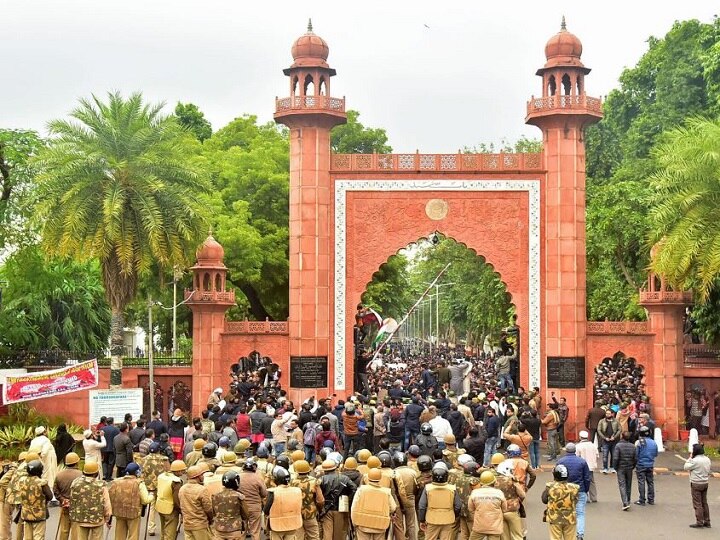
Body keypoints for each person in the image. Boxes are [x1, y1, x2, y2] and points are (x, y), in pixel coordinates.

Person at [108, 462, 154, 540]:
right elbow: (145, 500)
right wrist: (151, 496)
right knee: (133, 535)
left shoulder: (116, 482)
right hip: (134, 513)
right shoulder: (139, 483)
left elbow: (110, 497)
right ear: (137, 472)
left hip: (119, 513)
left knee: (119, 535)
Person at [68, 461, 112, 540]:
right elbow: (106, 504)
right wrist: (108, 518)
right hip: (97, 519)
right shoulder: (101, 485)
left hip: (81, 518)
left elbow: (72, 499)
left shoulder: (75, 483)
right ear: (96, 473)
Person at [417, 463, 461, 540]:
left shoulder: (428, 488)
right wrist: (454, 515)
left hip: (432, 519)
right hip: (448, 519)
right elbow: (458, 506)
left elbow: (422, 506)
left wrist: (422, 520)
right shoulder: (452, 489)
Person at [556, 443, 590, 540]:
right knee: (580, 513)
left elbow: (557, 476)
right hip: (580, 489)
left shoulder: (560, 462)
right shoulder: (582, 462)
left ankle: (567, 534)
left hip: (565, 490)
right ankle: (579, 534)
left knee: (566, 512)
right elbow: (587, 478)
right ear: (575, 450)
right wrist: (585, 489)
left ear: (566, 450)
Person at [351, 468, 396, 540]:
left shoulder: (361, 490)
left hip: (362, 523)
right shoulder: (386, 492)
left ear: (368, 478)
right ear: (380, 478)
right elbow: (393, 507)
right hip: (380, 524)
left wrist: (354, 522)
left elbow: (354, 507)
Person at [318, 459, 356, 540]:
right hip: (341, 509)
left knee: (327, 532)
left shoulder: (321, 480)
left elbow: (318, 495)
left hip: (326, 510)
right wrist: (347, 499)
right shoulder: (344, 478)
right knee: (339, 533)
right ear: (335, 468)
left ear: (324, 470)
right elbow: (354, 488)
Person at [263, 467, 303, 540]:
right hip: (293, 523)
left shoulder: (273, 492)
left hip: (277, 525)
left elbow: (266, 510)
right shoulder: (297, 491)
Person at [541, 464, 579, 540]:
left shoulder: (550, 486)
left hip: (554, 518)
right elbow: (576, 500)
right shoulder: (574, 487)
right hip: (570, 518)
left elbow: (544, 500)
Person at [467, 470, 507, 540]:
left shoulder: (475, 493)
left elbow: (470, 509)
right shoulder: (499, 493)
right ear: (493, 482)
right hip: (495, 527)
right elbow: (504, 509)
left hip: (479, 526)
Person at [290, 460, 324, 540]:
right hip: (311, 513)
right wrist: (319, 509)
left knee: (298, 537)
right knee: (314, 537)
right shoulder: (314, 482)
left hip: (296, 514)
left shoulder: (291, 483)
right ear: (308, 470)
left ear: (296, 471)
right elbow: (320, 500)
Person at [210, 471, 249, 540]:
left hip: (219, 529)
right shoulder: (239, 496)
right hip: (234, 529)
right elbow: (246, 514)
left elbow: (213, 512)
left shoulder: (215, 496)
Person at [178, 465, 213, 540]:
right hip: (200, 525)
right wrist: (211, 519)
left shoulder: (182, 489)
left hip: (187, 524)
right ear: (198, 476)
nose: (203, 476)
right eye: (202, 475)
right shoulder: (202, 490)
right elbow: (208, 509)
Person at [20, 460, 53, 540]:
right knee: (38, 537)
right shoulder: (42, 483)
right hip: (39, 515)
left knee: (27, 537)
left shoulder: (22, 480)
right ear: (40, 471)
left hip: (26, 514)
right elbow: (50, 496)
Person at [53, 453, 83, 540]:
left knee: (64, 529)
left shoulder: (59, 474)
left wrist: (62, 499)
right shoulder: (81, 475)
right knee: (76, 529)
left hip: (64, 505)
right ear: (76, 462)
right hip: (77, 506)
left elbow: (55, 490)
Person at [683, 443, 712, 528]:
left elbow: (686, 467)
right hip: (705, 482)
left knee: (697, 504)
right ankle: (707, 521)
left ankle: (699, 521)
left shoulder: (695, 460)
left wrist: (690, 458)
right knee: (704, 503)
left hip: (696, 483)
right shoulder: (707, 459)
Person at [156, 461, 186, 540]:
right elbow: (177, 499)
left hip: (160, 506)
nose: (183, 473)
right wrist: (181, 510)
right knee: (170, 535)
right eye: (182, 470)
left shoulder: (162, 476)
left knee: (163, 532)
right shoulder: (176, 481)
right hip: (171, 509)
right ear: (178, 471)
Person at [239, 459, 268, 540]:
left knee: (242, 531)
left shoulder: (238, 477)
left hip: (242, 507)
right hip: (255, 507)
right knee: (255, 531)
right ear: (254, 468)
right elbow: (264, 494)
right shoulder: (258, 478)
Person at [612, 432, 636, 511]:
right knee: (628, 484)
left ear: (622, 437)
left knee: (622, 485)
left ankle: (625, 502)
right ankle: (628, 500)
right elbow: (635, 458)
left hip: (621, 467)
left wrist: (615, 467)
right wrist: (633, 466)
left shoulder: (618, 446)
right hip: (629, 467)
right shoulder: (633, 446)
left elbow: (615, 458)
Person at [634, 426, 658, 506]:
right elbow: (655, 454)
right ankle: (651, 499)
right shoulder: (653, 442)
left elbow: (636, 454)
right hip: (650, 464)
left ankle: (642, 500)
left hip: (641, 464)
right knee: (650, 482)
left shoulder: (640, 442)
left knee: (641, 482)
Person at [29, 426, 58, 491]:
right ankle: (50, 490)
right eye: (46, 431)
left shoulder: (33, 440)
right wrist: (41, 457)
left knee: (42, 474)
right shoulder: (46, 440)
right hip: (48, 460)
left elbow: (31, 451)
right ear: (44, 432)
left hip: (37, 460)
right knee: (49, 475)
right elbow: (44, 452)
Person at [575, 431, 599, 503]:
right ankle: (594, 497)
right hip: (591, 466)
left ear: (580, 437)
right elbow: (597, 455)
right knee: (591, 481)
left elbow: (576, 456)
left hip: (582, 466)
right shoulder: (593, 445)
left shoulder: (578, 446)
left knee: (582, 481)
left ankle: (586, 497)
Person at [597, 409, 620, 474]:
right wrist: (604, 437)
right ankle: (605, 468)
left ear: (612, 414)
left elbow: (619, 429)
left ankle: (612, 467)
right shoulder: (602, 421)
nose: (607, 415)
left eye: (609, 413)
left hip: (614, 441)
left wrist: (614, 437)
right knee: (605, 455)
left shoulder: (616, 421)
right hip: (605, 440)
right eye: (606, 413)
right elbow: (599, 430)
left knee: (614, 455)